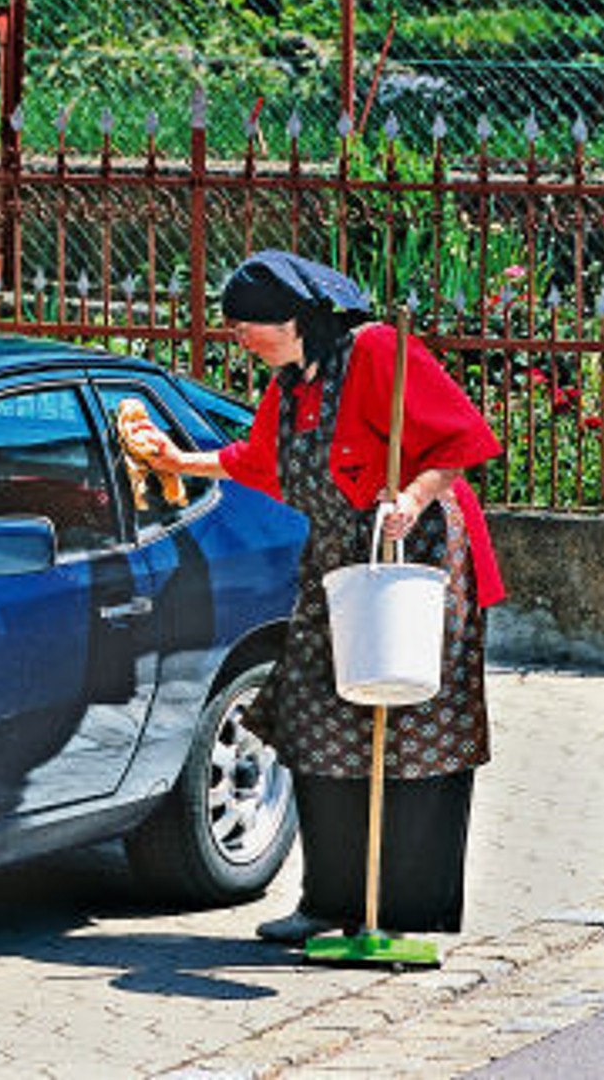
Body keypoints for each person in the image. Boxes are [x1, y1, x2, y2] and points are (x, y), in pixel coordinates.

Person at [131, 250, 503, 944]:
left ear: (290, 319)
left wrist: (413, 499)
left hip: (418, 561)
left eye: (243, 324)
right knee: (313, 722)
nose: (235, 335)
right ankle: (328, 904)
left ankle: (406, 916)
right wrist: (177, 461)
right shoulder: (291, 384)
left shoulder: (377, 351)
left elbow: (461, 440)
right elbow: (259, 461)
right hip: (336, 566)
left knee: (417, 732)